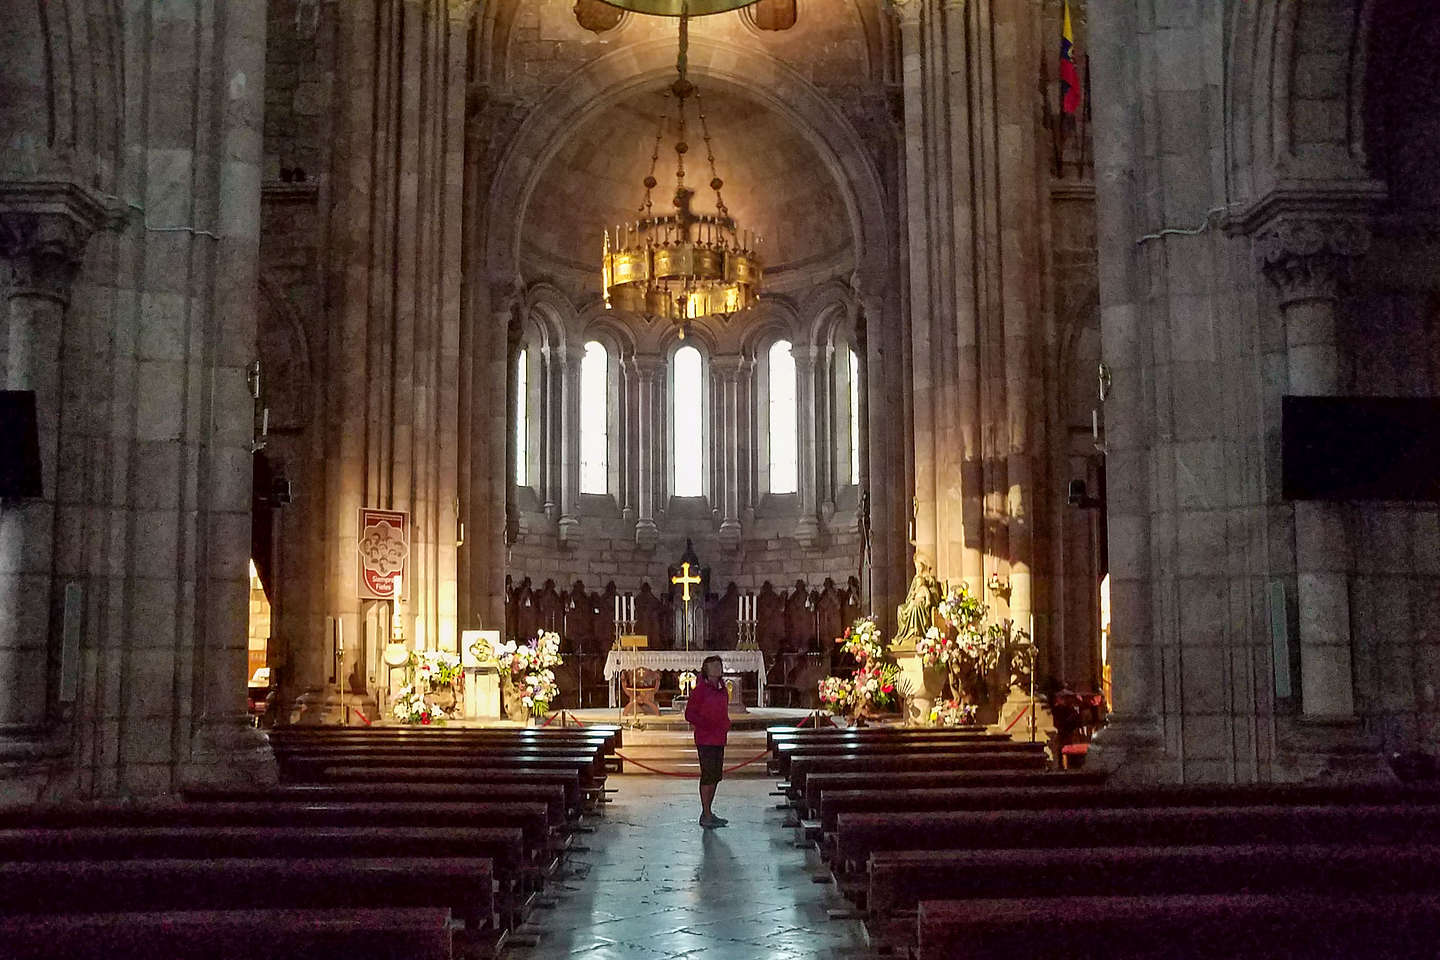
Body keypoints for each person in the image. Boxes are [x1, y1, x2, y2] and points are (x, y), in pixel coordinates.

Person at [684, 654, 731, 828]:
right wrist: (706, 724)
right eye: (713, 666)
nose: (717, 669)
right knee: (708, 775)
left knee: (716, 776)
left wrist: (725, 723)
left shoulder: (722, 687)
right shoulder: (700, 690)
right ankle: (706, 812)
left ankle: (708, 812)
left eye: (719, 666)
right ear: (706, 670)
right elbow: (689, 714)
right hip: (706, 738)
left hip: (719, 737)